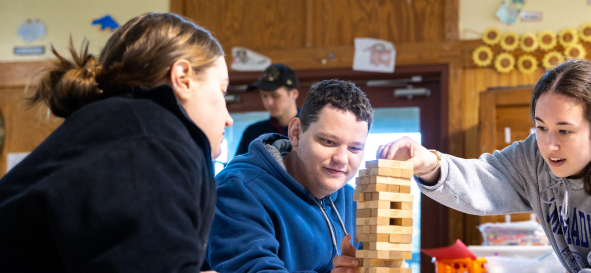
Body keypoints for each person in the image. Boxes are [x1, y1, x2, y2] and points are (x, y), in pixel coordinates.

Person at [378, 60, 591, 273]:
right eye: (540, 127)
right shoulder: (537, 153)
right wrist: (427, 163)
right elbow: (489, 178)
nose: (549, 145)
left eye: (565, 131)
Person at [0, 13, 232, 272]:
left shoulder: (121, 128)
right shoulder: (149, 141)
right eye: (222, 92)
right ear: (183, 78)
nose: (228, 119)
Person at [205, 79, 370, 273]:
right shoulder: (238, 190)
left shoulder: (352, 200)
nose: (342, 159)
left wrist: (417, 172)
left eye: (355, 148)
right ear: (296, 133)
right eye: (328, 142)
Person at [235, 63, 301, 156]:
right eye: (264, 95)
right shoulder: (252, 133)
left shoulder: (310, 128)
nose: (268, 102)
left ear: (294, 94)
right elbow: (238, 169)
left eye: (275, 95)